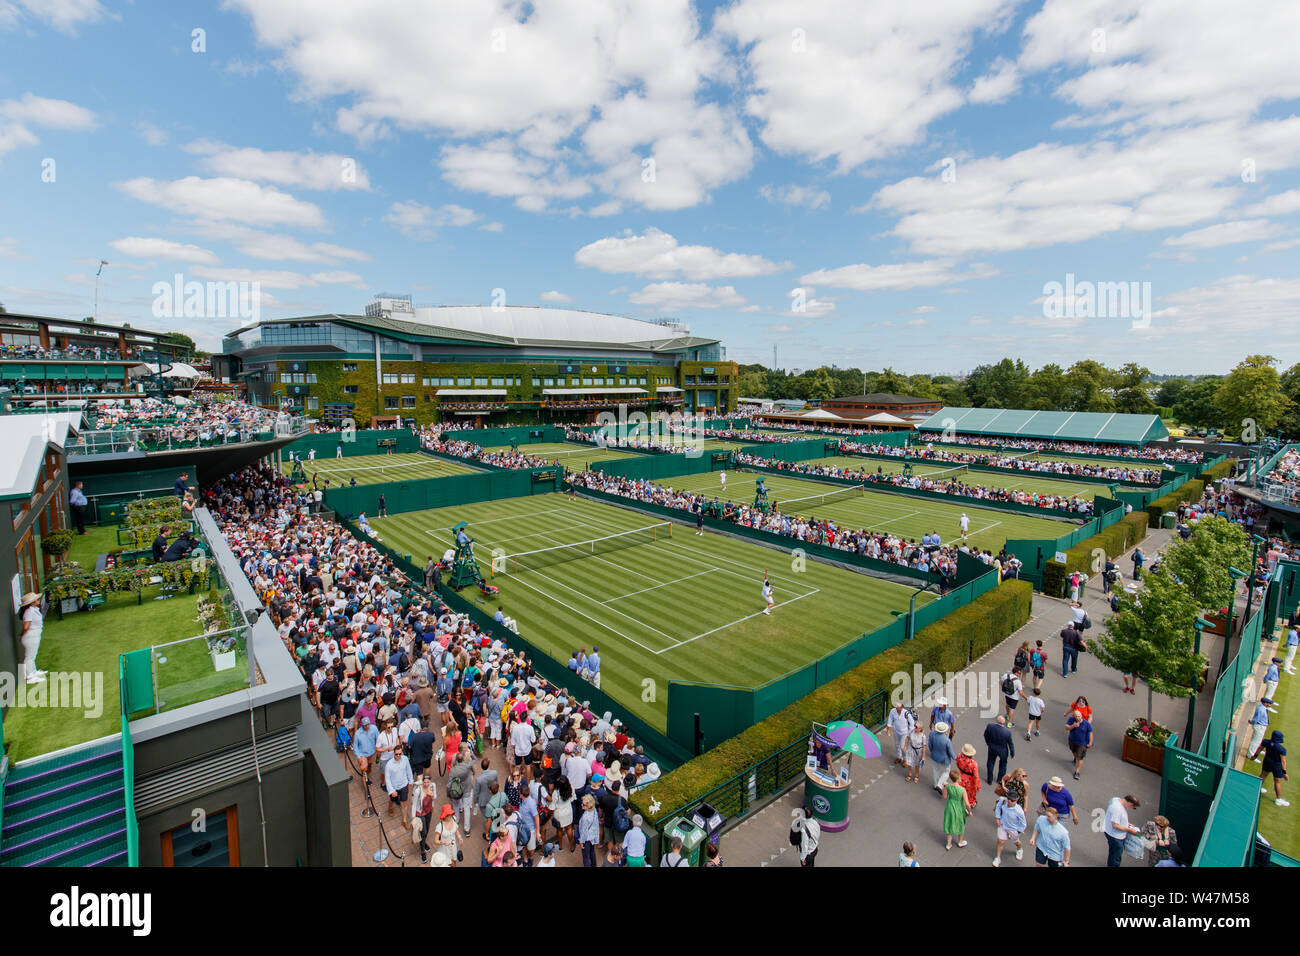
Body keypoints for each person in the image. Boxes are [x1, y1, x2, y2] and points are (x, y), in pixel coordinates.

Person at [1103, 794, 1141, 867]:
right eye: (1133, 807)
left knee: (1113, 852)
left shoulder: (1115, 799)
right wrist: (1129, 830)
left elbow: (1115, 818)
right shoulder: (1118, 809)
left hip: (1110, 832)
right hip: (1115, 836)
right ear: (1130, 803)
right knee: (1116, 856)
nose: (1132, 809)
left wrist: (1127, 823)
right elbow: (1115, 825)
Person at [993, 785, 1027, 866]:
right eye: (1008, 799)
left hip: (1013, 829)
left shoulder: (1019, 811)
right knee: (1000, 841)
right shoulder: (1003, 801)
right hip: (1003, 825)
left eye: (1012, 800)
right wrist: (997, 818)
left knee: (1016, 842)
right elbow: (998, 807)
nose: (1009, 801)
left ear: (1016, 800)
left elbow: (1023, 824)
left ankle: (1019, 849)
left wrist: (1017, 832)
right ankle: (998, 858)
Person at [18, 592, 46, 684]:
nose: (38, 600)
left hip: (34, 635)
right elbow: (26, 627)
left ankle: (34, 672)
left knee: (32, 656)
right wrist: (21, 635)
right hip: (30, 637)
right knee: (29, 657)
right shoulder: (29, 612)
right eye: (36, 600)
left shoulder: (33, 609)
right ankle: (30, 677)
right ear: (31, 603)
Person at [943, 768, 972, 851]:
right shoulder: (962, 790)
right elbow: (967, 804)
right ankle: (960, 841)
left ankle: (948, 844)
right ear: (958, 778)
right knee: (961, 823)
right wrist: (969, 811)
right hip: (959, 806)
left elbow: (945, 797)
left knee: (949, 823)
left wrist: (945, 786)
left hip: (950, 806)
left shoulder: (948, 786)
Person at [1259, 730, 1289, 807]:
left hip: (1267, 761)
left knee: (1263, 775)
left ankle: (1257, 789)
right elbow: (1283, 761)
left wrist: (1254, 756)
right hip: (1276, 765)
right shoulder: (1282, 749)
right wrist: (1285, 773)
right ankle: (1278, 799)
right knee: (1277, 781)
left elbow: (1260, 748)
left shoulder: (1266, 741)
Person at [984, 716, 1015, 785]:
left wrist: (988, 743)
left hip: (992, 748)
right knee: (1003, 764)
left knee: (990, 762)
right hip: (1003, 750)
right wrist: (1012, 753)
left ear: (997, 721)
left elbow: (985, 735)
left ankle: (990, 779)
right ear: (1003, 723)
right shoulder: (1007, 732)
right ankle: (1000, 779)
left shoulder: (990, 726)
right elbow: (1010, 744)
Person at [1066, 708, 1093, 780]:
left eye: (1079, 716)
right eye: (1076, 716)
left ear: (1081, 716)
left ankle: (1077, 772)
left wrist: (1090, 742)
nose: (1078, 717)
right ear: (1074, 716)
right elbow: (1067, 727)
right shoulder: (1071, 720)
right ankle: (1075, 758)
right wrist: (1073, 726)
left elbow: (1090, 733)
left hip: (1082, 743)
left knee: (1080, 757)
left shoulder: (1086, 724)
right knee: (1073, 751)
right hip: (1072, 740)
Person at [928, 721, 955, 793]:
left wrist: (932, 751)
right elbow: (950, 751)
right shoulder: (947, 740)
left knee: (936, 769)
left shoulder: (932, 734)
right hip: (944, 758)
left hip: (935, 755)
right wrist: (955, 757)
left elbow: (930, 745)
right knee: (946, 771)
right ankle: (939, 785)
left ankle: (935, 784)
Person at [578, 793, 600, 867]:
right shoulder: (594, 811)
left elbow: (584, 832)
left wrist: (581, 842)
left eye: (584, 804)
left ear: (588, 806)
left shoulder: (585, 817)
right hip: (593, 837)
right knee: (592, 853)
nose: (581, 805)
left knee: (586, 857)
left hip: (586, 839)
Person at [956, 743, 981, 809]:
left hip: (961, 776)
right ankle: (970, 803)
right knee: (970, 793)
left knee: (961, 790)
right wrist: (977, 785)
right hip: (970, 780)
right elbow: (975, 776)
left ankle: (961, 800)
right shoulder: (973, 763)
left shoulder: (959, 757)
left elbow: (957, 764)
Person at [904, 718, 926, 783]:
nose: (914, 727)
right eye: (914, 726)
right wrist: (905, 746)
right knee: (909, 762)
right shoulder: (911, 731)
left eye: (916, 727)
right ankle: (910, 774)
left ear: (920, 729)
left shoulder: (923, 736)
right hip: (911, 749)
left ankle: (916, 776)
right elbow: (907, 738)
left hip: (918, 751)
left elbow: (924, 746)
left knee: (917, 764)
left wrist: (923, 756)